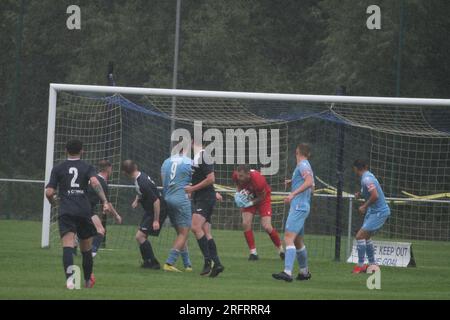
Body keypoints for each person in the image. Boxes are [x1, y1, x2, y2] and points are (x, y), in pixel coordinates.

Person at [45, 139, 111, 288]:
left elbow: (49, 192)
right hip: (83, 210)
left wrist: (54, 203)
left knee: (68, 246)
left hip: (66, 210)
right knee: (86, 248)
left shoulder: (58, 168)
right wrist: (105, 201)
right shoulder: (87, 167)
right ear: (82, 151)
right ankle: (87, 281)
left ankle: (70, 282)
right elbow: (95, 183)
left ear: (65, 150)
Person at [272, 143, 314, 282]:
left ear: (297, 152)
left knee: (288, 238)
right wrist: (293, 182)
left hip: (298, 207)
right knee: (298, 241)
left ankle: (287, 272)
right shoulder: (306, 165)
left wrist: (292, 194)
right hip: (303, 206)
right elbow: (312, 187)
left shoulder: (302, 165)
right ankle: (304, 272)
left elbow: (309, 182)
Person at [185, 141, 225, 277]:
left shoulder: (203, 155)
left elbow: (210, 179)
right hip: (203, 197)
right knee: (206, 232)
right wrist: (193, 190)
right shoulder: (196, 157)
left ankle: (208, 261)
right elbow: (202, 179)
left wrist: (192, 188)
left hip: (205, 199)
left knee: (195, 227)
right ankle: (217, 264)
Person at [232, 165, 284, 260]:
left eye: (242, 176)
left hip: (263, 199)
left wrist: (250, 203)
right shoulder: (236, 175)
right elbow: (238, 185)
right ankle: (253, 253)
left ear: (248, 174)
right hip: (249, 197)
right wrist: (237, 194)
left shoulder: (258, 180)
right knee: (245, 223)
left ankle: (280, 250)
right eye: (238, 175)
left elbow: (262, 197)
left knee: (267, 226)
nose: (239, 178)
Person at [352, 159, 390, 274]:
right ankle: (372, 265)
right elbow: (369, 192)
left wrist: (364, 206)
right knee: (366, 237)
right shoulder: (368, 176)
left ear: (356, 168)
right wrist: (360, 194)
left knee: (359, 236)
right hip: (374, 212)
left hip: (378, 212)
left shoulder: (366, 179)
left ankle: (360, 266)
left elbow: (375, 195)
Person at [121, 160, 161, 269]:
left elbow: (156, 201)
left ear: (125, 173)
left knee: (140, 236)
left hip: (155, 210)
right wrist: (137, 200)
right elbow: (142, 192)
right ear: (136, 166)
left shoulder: (142, 182)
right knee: (141, 237)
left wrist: (156, 220)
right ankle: (147, 262)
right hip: (150, 211)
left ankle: (153, 263)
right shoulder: (140, 176)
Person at [161, 149, 193, 272]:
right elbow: (194, 181)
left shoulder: (166, 162)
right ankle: (169, 262)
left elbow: (164, 181)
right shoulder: (189, 162)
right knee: (184, 233)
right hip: (181, 200)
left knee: (180, 233)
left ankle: (187, 264)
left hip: (168, 198)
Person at [87, 159, 122, 257]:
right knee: (100, 231)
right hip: (86, 209)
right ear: (109, 169)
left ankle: (74, 251)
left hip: (78, 207)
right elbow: (108, 203)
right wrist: (116, 216)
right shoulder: (101, 183)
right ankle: (91, 255)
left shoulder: (92, 178)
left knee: (84, 232)